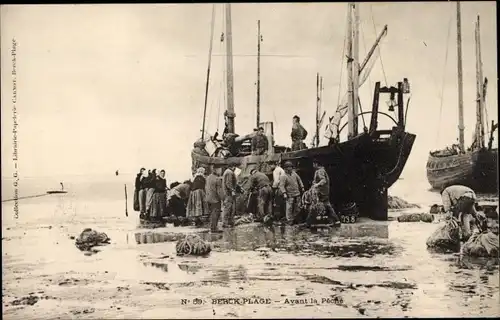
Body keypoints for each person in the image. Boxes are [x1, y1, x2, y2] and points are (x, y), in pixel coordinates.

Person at [311, 159, 340, 226]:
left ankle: (311, 222)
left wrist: (316, 185)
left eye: (313, 164)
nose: (313, 165)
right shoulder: (321, 170)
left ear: (316, 164)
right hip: (324, 192)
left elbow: (323, 180)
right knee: (327, 206)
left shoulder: (320, 171)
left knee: (319, 206)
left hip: (322, 192)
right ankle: (335, 221)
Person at [205, 166, 224, 232]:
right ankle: (214, 228)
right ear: (216, 170)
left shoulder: (208, 177)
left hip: (208, 198)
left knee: (212, 213)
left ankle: (212, 227)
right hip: (215, 199)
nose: (220, 171)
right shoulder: (217, 179)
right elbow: (219, 191)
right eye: (220, 169)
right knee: (216, 213)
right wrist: (223, 198)